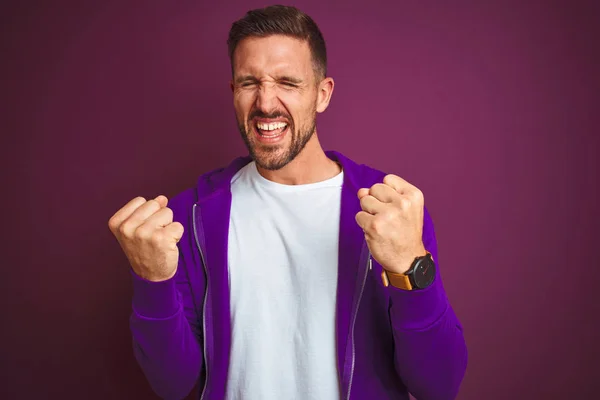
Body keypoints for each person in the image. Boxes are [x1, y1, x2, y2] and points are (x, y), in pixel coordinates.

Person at [108, 5, 467, 400]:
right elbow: (172, 384)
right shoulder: (188, 217)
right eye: (249, 83)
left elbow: (438, 385)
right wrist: (152, 280)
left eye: (287, 82)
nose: (265, 103)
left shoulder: (390, 212)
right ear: (233, 92)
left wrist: (411, 267)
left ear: (322, 94)